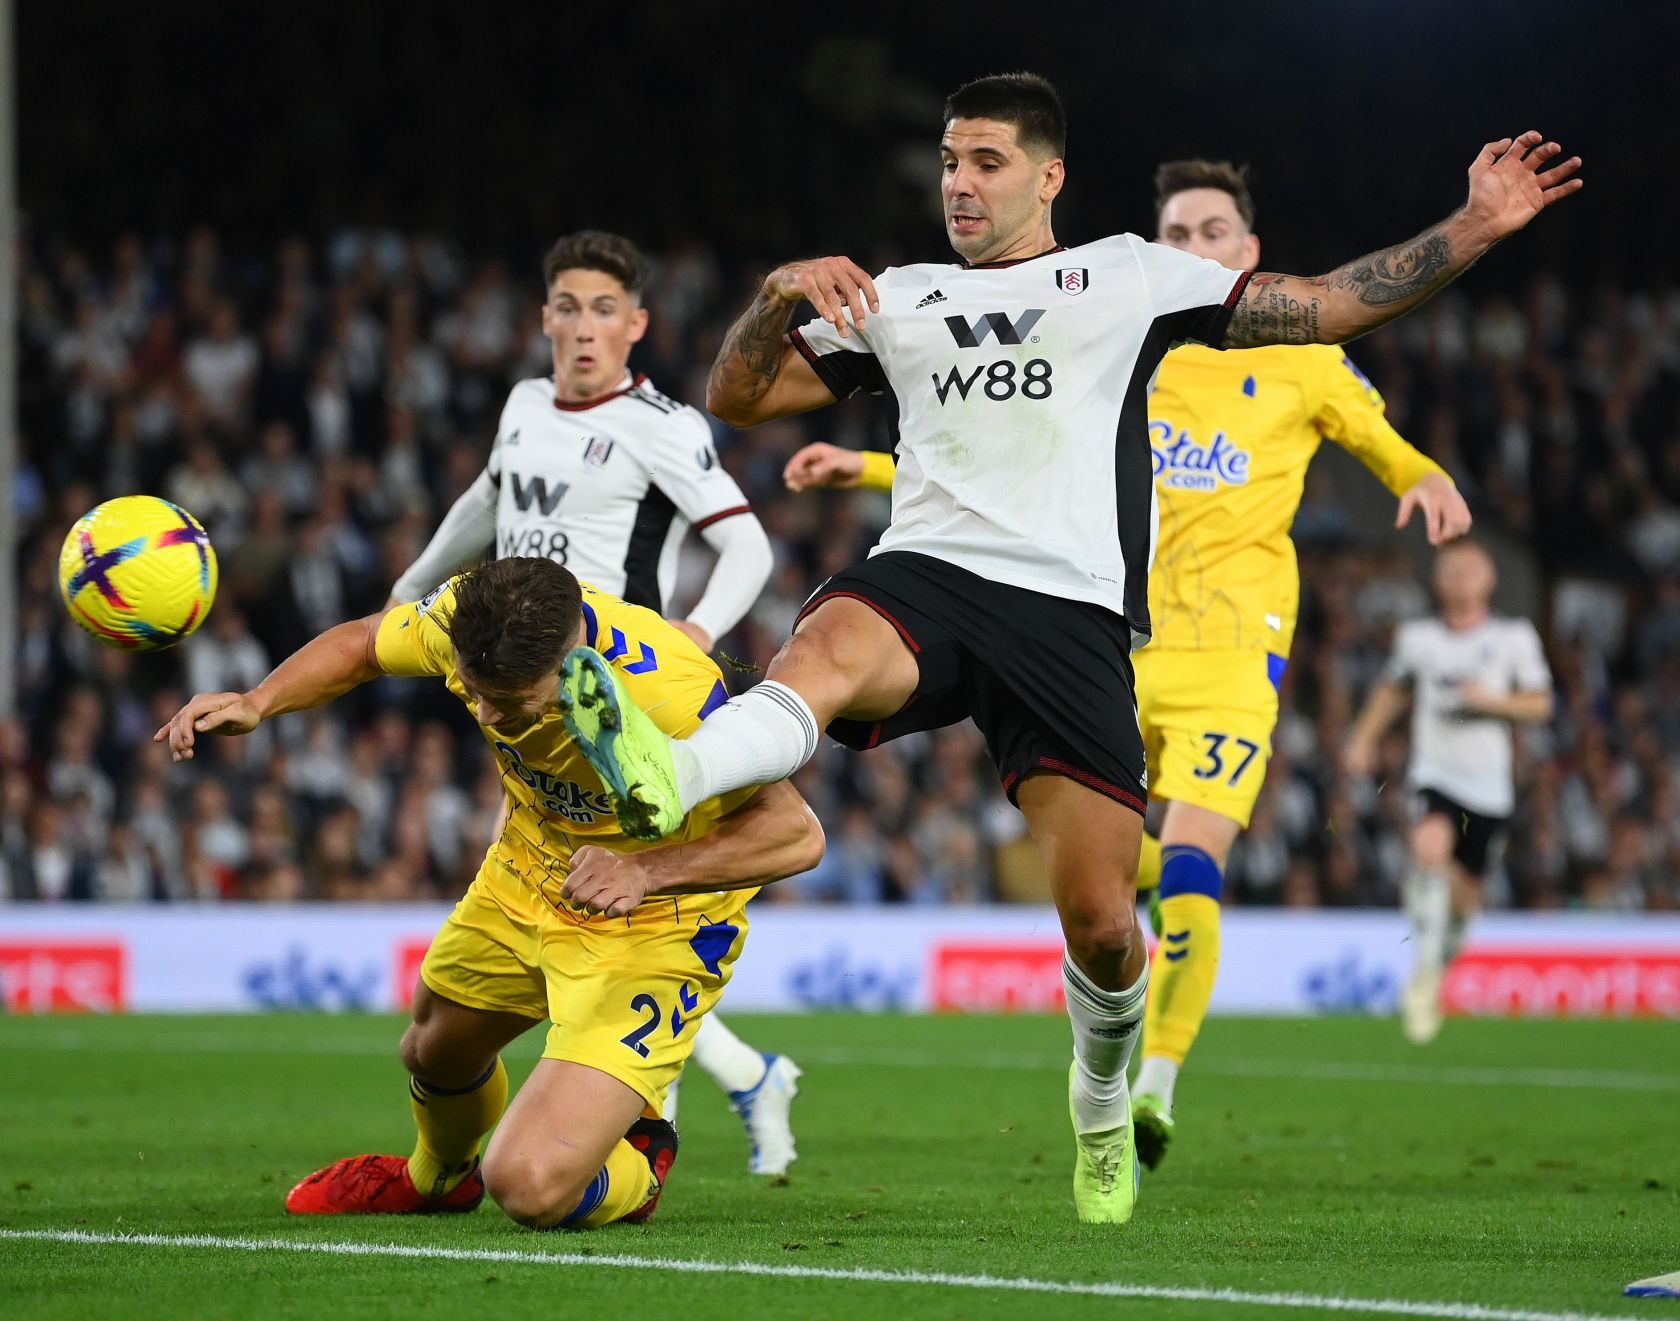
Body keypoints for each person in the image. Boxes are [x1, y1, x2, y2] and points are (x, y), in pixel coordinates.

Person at [554, 71, 1579, 1223]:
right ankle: (668, 769)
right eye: (948, 160)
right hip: (928, 574)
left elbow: (1331, 303)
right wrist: (778, 294)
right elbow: (738, 399)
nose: (960, 182)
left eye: (987, 161)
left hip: (1072, 612)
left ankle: (1101, 1101)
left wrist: (1477, 226)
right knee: (828, 641)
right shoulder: (901, 296)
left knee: (1099, 922)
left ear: (1048, 177)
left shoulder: (1131, 277)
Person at [781, 158, 1475, 1173]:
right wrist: (872, 466)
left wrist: (1425, 477)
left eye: (1210, 232)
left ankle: (1156, 1082)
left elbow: (1384, 442)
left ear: (1249, 253)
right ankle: (1116, 1007)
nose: (1190, 248)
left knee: (1191, 860)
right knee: (1103, 875)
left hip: (1237, 654)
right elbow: (1014, 462)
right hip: (1116, 640)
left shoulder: (1301, 362)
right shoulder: (1123, 344)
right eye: (1176, 234)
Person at [155, 556, 822, 1229]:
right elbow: (362, 643)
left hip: (654, 920)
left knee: (529, 1186)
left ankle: (640, 1167)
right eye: (475, 691)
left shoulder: (670, 691)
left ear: (574, 663)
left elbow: (796, 833)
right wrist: (256, 701)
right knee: (433, 1048)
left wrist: (645, 871)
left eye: (507, 701)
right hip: (530, 868)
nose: (484, 712)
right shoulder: (469, 618)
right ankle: (437, 1178)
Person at [386, 231, 801, 1176]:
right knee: (579, 915)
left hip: (618, 709)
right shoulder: (525, 403)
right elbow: (486, 503)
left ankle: (653, 1122)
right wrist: (409, 592)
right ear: (543, 319)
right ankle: (741, 1078)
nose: (583, 329)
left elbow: (747, 548)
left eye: (604, 310)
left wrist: (693, 633)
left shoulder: (663, 424)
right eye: (567, 307)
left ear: (637, 325)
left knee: (610, 917)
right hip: (522, 688)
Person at [1343, 540, 1552, 1043]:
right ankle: (1425, 976)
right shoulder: (1418, 638)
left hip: (1489, 787)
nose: (1459, 576)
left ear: (1490, 579)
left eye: (1470, 569)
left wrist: (1494, 702)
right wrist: (1363, 738)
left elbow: (1540, 704)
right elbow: (1393, 689)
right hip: (1434, 775)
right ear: (1436, 581)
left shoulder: (1512, 636)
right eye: (1450, 569)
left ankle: (1438, 963)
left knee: (1464, 902)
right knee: (1429, 847)